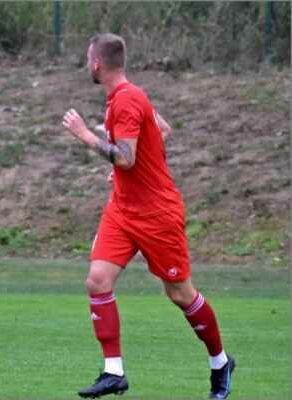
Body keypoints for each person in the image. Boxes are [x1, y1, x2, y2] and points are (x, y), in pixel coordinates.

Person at [61, 33, 235, 399]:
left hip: (157, 213)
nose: (86, 63)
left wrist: (86, 137)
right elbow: (161, 131)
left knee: (180, 293)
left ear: (96, 63)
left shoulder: (127, 100)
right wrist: (130, 171)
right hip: (123, 209)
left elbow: (126, 156)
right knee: (98, 279)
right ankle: (113, 373)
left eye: (87, 58)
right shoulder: (125, 97)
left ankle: (220, 362)